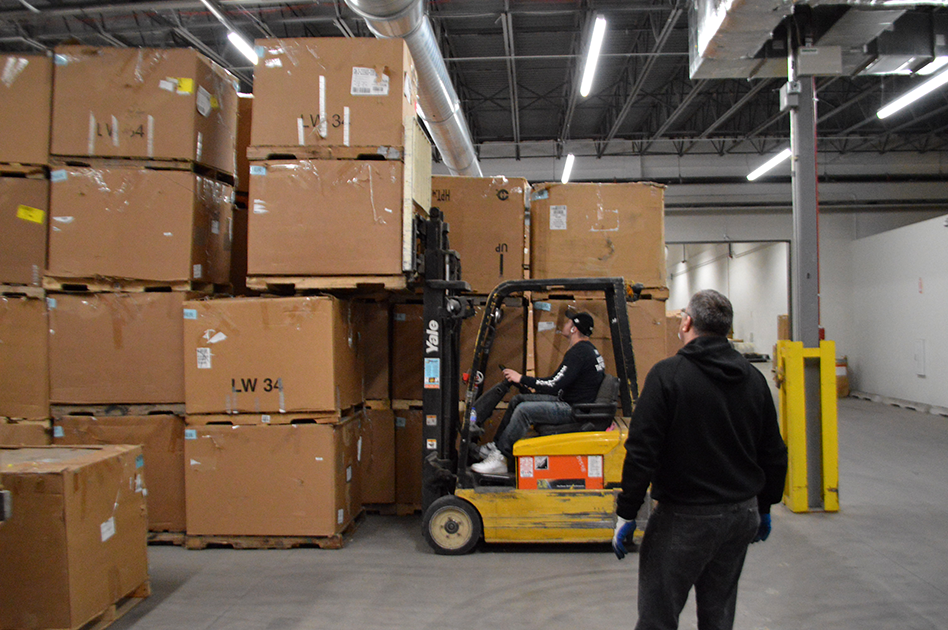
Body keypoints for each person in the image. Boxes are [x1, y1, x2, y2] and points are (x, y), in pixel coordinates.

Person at [612, 289, 788, 630]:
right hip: (741, 515)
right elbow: (773, 451)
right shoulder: (754, 379)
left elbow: (641, 450)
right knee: (718, 614)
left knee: (658, 615)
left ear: (688, 322)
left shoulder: (668, 375)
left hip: (685, 516)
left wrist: (627, 511)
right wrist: (766, 505)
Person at [471, 310, 606, 474]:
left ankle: (501, 458)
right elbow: (556, 382)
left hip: (574, 410)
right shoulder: (588, 350)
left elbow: (553, 384)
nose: (565, 324)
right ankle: (497, 446)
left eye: (568, 322)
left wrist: (521, 378)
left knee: (524, 411)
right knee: (519, 400)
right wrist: (523, 381)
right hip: (574, 403)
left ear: (574, 329)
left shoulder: (579, 353)